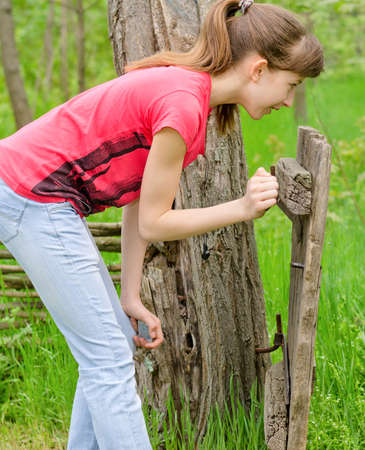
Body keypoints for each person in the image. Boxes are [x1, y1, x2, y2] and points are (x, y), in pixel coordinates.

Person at [0, 0, 323, 448]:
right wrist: (243, 207)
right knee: (109, 362)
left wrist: (129, 294)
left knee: (110, 351)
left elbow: (137, 200)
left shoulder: (190, 96)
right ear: (259, 70)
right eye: (290, 85)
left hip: (39, 197)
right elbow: (155, 222)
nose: (288, 100)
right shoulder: (183, 103)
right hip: (30, 195)